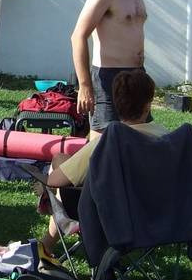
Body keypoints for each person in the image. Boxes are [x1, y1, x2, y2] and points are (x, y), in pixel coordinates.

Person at [32, 70, 165, 257]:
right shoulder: (166, 138)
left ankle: (47, 243)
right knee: (61, 159)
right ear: (148, 104)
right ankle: (47, 243)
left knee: (58, 166)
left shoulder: (109, 142)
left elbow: (55, 180)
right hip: (156, 216)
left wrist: (46, 182)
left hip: (108, 215)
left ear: (116, 103)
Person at [71, 0, 168, 135]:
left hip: (137, 76)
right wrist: (85, 85)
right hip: (109, 77)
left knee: (139, 140)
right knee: (102, 143)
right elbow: (78, 35)